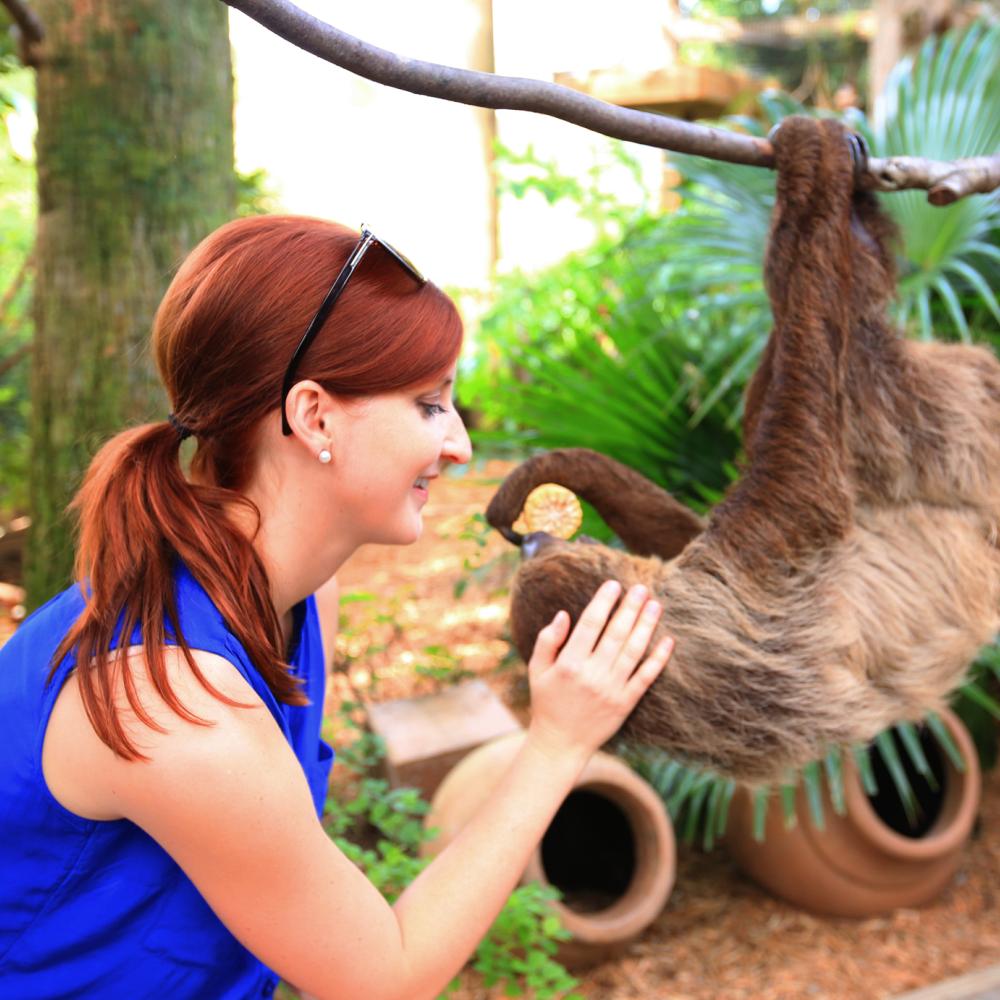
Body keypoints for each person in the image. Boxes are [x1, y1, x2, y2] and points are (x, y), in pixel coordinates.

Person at [0, 216, 675, 1000]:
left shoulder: (291, 591)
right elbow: (382, 977)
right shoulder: (179, 705)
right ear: (313, 416)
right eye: (429, 405)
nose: (459, 443)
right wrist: (559, 743)